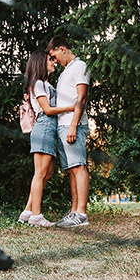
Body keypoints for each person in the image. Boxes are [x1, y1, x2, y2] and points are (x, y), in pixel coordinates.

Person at [19, 49, 77, 227]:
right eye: (49, 60)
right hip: (44, 126)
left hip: (49, 129)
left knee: (47, 173)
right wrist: (72, 107)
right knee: (40, 173)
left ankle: (27, 212)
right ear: (40, 63)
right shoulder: (38, 84)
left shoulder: (45, 84)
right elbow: (48, 110)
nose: (53, 62)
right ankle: (36, 216)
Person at [47, 36, 90, 227]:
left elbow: (81, 98)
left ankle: (81, 213)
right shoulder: (66, 71)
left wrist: (73, 124)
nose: (54, 60)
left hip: (74, 125)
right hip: (62, 125)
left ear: (62, 48)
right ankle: (74, 212)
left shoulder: (80, 66)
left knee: (79, 166)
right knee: (71, 169)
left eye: (54, 55)